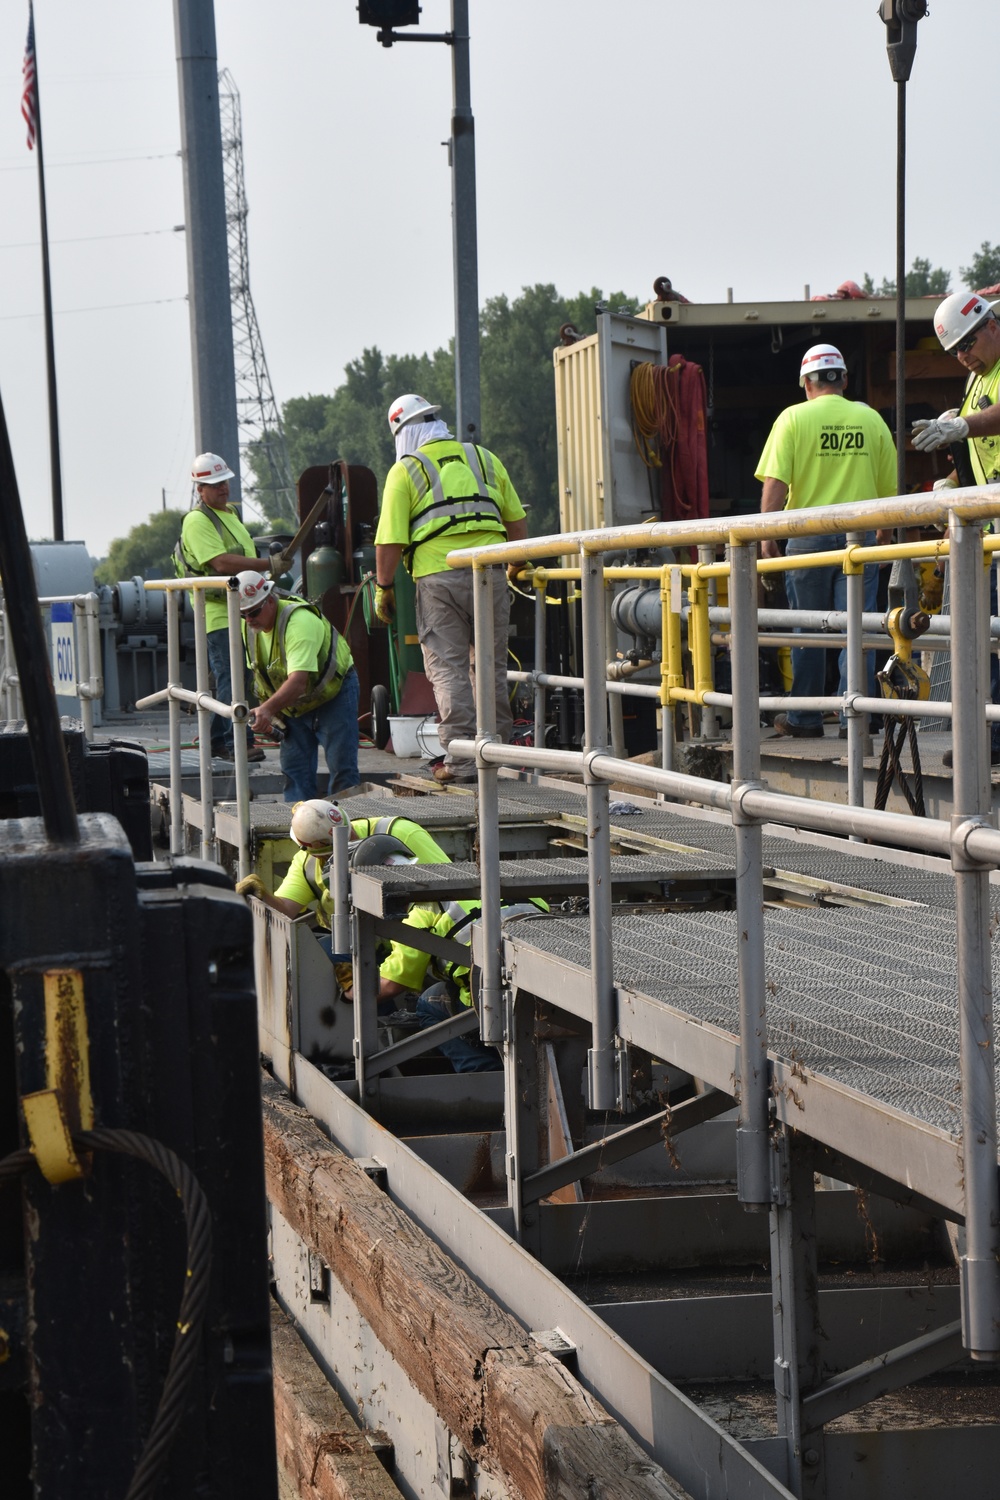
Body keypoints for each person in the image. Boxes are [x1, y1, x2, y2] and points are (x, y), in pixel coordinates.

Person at [373, 393, 528, 783]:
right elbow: (517, 520)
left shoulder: (406, 470)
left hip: (437, 577)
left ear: (403, 434)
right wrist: (516, 566)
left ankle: (460, 760)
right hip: (489, 571)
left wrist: (384, 586)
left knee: (448, 669)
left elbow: (388, 541)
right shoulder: (483, 457)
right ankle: (498, 754)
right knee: (489, 665)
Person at [756, 344, 897, 738]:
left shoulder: (793, 419)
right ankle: (858, 717)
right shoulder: (870, 419)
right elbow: (890, 491)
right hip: (860, 538)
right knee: (857, 628)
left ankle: (805, 719)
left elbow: (776, 484)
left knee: (808, 630)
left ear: (807, 383)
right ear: (844, 380)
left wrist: (767, 536)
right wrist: (883, 536)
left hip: (806, 539)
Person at [912, 290, 1000, 765]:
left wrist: (962, 426)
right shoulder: (977, 378)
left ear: (990, 324)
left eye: (968, 345)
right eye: (956, 353)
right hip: (990, 531)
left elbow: (989, 423)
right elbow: (980, 453)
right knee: (983, 635)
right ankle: (990, 735)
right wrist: (949, 484)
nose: (964, 357)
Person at [177, 453, 269, 761]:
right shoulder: (197, 520)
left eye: (225, 482)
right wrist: (266, 564)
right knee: (233, 675)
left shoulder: (229, 514)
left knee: (238, 675)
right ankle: (237, 743)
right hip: (217, 613)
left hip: (239, 610)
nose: (223, 489)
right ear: (199, 489)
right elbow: (219, 562)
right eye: (215, 484)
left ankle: (216, 739)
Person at [236, 572, 360, 801]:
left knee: (342, 770)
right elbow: (263, 675)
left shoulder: (299, 622)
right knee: (295, 773)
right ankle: (299, 829)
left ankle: (346, 828)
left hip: (333, 696)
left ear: (270, 601)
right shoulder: (249, 629)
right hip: (294, 705)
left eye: (253, 612)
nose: (249, 619)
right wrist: (270, 711)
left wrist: (267, 710)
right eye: (242, 614)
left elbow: (298, 681)